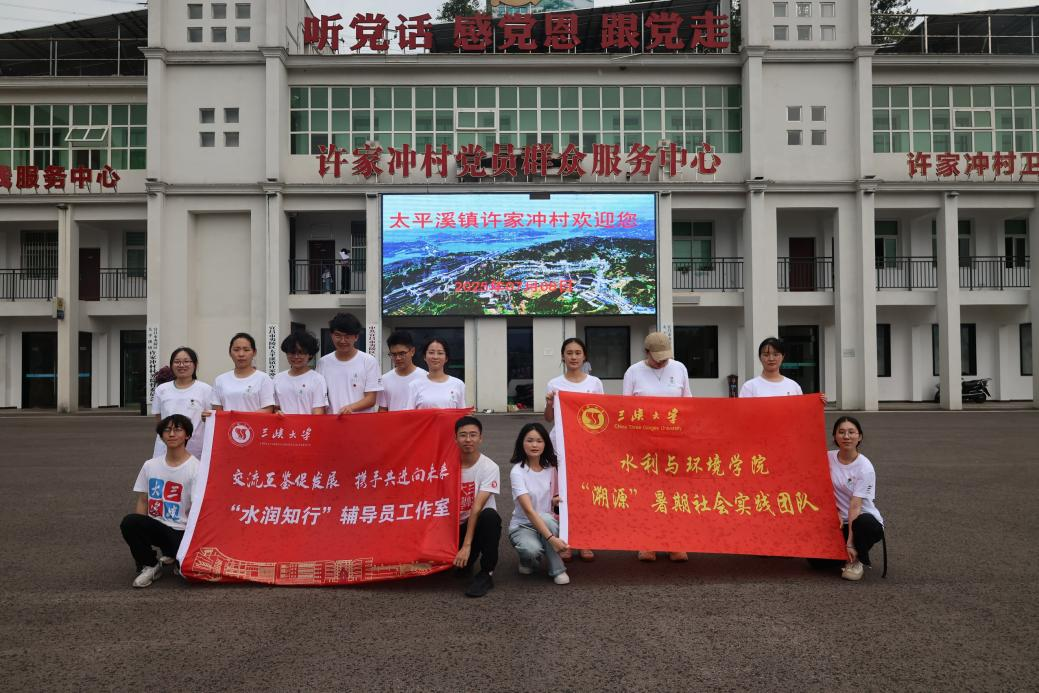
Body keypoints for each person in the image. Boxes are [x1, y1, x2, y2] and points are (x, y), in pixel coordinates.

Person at [623, 331, 692, 562]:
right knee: (647, 493)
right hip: (645, 444)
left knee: (674, 494)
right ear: (646, 352)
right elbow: (626, 410)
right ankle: (648, 542)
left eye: (665, 357)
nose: (662, 361)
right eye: (657, 357)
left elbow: (688, 403)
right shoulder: (633, 372)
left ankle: (675, 542)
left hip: (675, 443)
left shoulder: (679, 368)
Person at [119, 414, 200, 588]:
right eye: (167, 430)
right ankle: (150, 565)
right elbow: (143, 500)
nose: (171, 434)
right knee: (130, 522)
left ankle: (176, 556)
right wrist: (141, 531)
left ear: (187, 435)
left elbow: (197, 509)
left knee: (190, 574)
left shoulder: (196, 468)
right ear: (161, 436)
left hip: (182, 532)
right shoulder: (150, 465)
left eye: (178, 430)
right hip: (158, 526)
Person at [544, 337, 603, 561]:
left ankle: (585, 540)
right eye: (569, 353)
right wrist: (549, 403)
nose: (574, 357)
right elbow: (548, 418)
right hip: (560, 445)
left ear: (584, 356)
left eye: (578, 353)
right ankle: (566, 540)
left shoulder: (594, 383)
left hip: (586, 447)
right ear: (563, 356)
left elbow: (601, 414)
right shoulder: (554, 383)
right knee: (562, 495)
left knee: (585, 493)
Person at [508, 423, 571, 585]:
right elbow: (529, 510)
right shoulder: (517, 472)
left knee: (547, 519)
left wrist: (553, 500)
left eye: (539, 441)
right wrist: (552, 539)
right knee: (531, 550)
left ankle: (558, 570)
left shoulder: (551, 468)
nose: (534, 445)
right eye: (529, 440)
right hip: (523, 525)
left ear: (545, 444)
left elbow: (550, 495)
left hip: (547, 521)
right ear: (522, 443)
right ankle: (527, 560)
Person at [829, 416, 885, 581]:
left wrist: (850, 543)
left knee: (864, 523)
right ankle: (841, 554)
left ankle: (857, 560)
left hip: (861, 520)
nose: (846, 436)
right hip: (838, 521)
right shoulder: (827, 458)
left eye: (851, 432)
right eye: (841, 432)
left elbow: (855, 505)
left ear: (859, 436)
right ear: (835, 436)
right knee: (817, 564)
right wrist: (834, 511)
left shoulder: (865, 468)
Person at [454, 415, 502, 598]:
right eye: (463, 435)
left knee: (490, 516)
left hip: (474, 528)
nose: (468, 439)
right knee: (454, 571)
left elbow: (476, 507)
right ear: (455, 438)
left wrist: (466, 546)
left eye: (473, 435)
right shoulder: (445, 465)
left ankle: (486, 574)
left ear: (480, 438)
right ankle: (463, 563)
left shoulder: (489, 467)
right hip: (450, 532)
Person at [151, 346, 212, 459]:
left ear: (195, 364)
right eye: (177, 362)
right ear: (171, 365)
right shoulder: (162, 389)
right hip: (165, 448)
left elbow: (212, 419)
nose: (182, 365)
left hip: (195, 449)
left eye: (186, 361)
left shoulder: (206, 389)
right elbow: (159, 420)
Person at [317, 313, 383, 415]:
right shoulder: (323, 362)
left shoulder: (369, 361)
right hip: (332, 421)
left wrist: (350, 408)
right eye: (338, 335)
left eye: (347, 336)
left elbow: (371, 399)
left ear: (356, 337)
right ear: (332, 335)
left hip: (361, 422)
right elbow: (319, 397)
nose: (342, 341)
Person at [212, 333, 276, 413]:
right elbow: (217, 412)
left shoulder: (263, 379)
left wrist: (242, 418)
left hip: (254, 422)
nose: (241, 354)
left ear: (254, 352)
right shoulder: (220, 380)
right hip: (228, 422)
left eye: (246, 350)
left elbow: (268, 409)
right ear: (230, 353)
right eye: (236, 350)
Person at [273, 331, 328, 415]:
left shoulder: (317, 379)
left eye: (301, 352)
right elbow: (275, 408)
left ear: (310, 354)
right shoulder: (278, 378)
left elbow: (318, 412)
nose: (296, 357)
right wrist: (277, 412)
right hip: (284, 423)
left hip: (308, 423)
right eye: (292, 352)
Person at [405, 338, 466, 410]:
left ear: (446, 358)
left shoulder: (458, 384)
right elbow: (409, 414)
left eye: (440, 353)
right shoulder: (414, 386)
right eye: (431, 352)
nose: (435, 357)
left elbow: (462, 414)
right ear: (424, 357)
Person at [377, 330, 427, 412]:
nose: (398, 358)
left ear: (412, 351)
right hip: (393, 420)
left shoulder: (425, 377)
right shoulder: (385, 379)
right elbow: (382, 410)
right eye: (394, 354)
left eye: (402, 353)